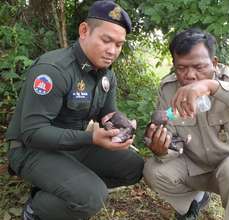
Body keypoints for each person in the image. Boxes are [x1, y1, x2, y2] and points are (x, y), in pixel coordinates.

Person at [5, 1, 144, 220]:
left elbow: (108, 115)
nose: (112, 51)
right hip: (31, 149)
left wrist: (120, 124)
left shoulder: (107, 75)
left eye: (119, 45)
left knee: (134, 167)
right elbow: (32, 133)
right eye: (106, 40)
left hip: (74, 145)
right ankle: (36, 210)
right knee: (91, 197)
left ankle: (61, 188)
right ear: (84, 31)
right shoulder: (53, 70)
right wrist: (91, 139)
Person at [143, 28, 229, 220]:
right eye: (181, 68)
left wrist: (212, 87)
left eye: (199, 67)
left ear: (214, 63)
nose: (190, 75)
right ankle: (191, 205)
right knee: (154, 169)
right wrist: (162, 150)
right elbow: (171, 142)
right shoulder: (169, 90)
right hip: (194, 168)